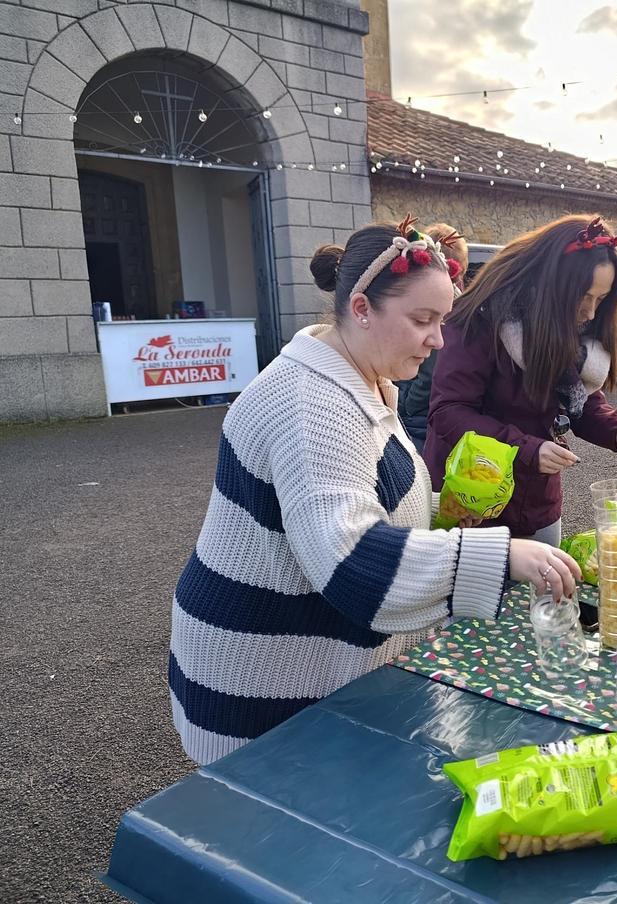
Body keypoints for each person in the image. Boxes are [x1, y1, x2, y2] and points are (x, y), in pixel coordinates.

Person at [169, 219, 579, 765]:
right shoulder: (311, 408)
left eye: (442, 321)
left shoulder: (363, 377)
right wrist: (501, 554)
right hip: (260, 687)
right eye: (422, 320)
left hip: (309, 661)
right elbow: (351, 561)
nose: (438, 340)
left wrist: (442, 516)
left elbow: (362, 501)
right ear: (362, 308)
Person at [424, 213, 617, 545]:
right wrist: (527, 449)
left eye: (601, 300)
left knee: (548, 579)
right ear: (552, 283)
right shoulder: (481, 319)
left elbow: (577, 398)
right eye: (584, 296)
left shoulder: (563, 322)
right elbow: (449, 413)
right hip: (472, 502)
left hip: (537, 502)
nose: (591, 312)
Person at [396, 222, 469, 452]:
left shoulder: (450, 304)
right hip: (423, 409)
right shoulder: (450, 303)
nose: (437, 339)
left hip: (421, 411)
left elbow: (429, 371)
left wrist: (407, 405)